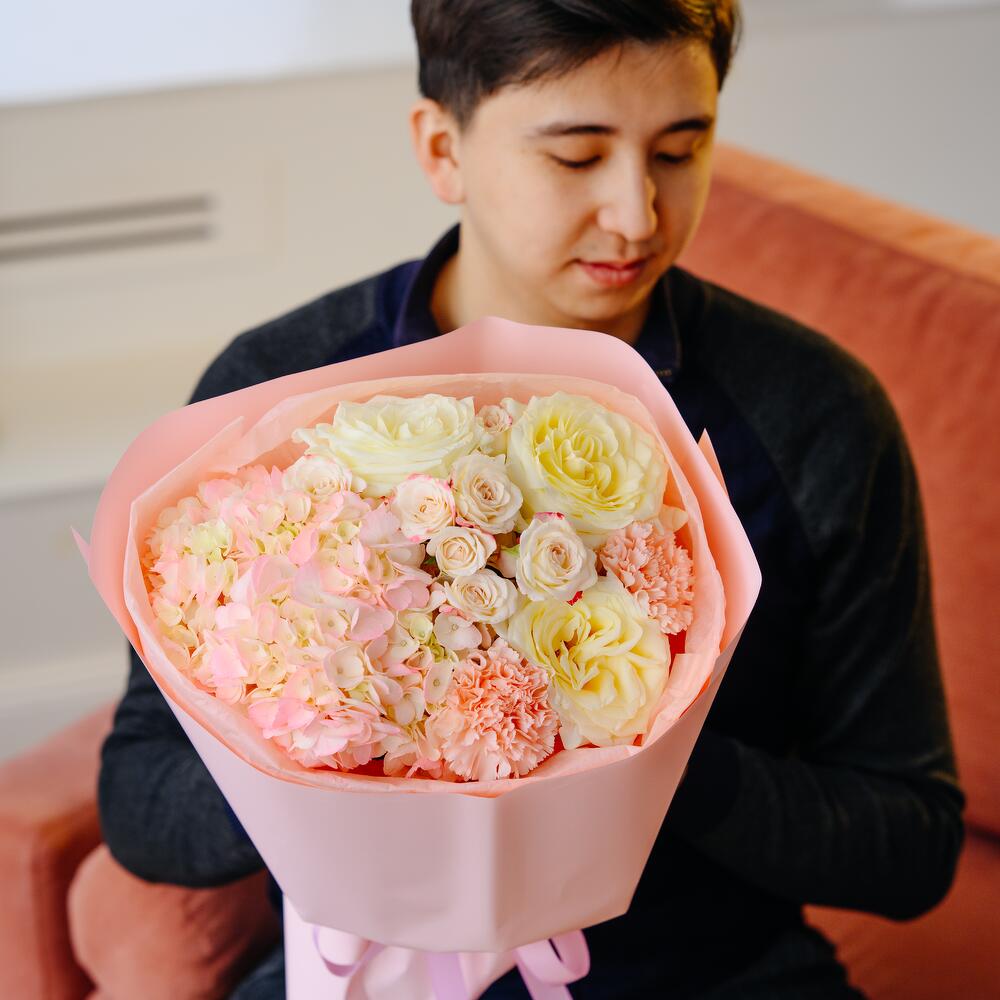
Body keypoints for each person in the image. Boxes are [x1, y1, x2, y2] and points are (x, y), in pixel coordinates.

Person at [98, 2, 966, 998]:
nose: (637, 214)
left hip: (714, 974)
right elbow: (139, 800)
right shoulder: (269, 398)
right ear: (443, 149)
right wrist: (333, 736)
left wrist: (640, 742)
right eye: (576, 156)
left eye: (679, 150)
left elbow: (911, 845)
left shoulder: (811, 414)